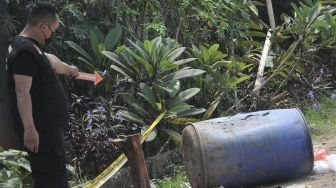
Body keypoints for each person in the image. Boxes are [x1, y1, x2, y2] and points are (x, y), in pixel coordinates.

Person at [6, 2, 78, 187]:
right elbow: (22, 92)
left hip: (49, 132)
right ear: (43, 26)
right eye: (53, 31)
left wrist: (70, 69)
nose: (53, 35)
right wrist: (30, 129)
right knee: (50, 180)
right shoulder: (23, 52)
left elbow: (51, 62)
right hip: (41, 133)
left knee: (57, 176)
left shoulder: (31, 48)